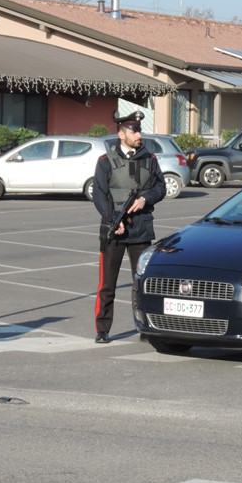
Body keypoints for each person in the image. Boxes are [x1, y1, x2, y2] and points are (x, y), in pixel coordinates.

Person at [91, 110, 166, 343]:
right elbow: (99, 195)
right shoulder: (106, 161)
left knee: (141, 283)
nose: (139, 134)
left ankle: (144, 326)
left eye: (139, 130)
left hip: (141, 228)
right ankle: (102, 329)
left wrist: (146, 199)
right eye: (134, 131)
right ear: (121, 134)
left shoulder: (150, 159)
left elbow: (160, 188)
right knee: (107, 283)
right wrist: (113, 220)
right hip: (114, 229)